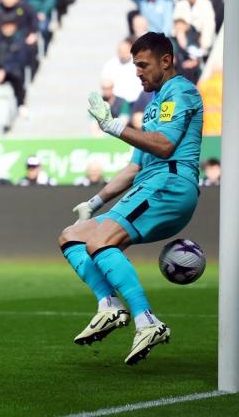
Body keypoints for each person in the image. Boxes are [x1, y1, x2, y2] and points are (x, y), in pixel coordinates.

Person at [60, 32, 204, 365]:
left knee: (100, 242)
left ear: (165, 61)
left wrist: (113, 126)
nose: (137, 72)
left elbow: (165, 146)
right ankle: (108, 305)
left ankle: (146, 320)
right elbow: (134, 167)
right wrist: (94, 203)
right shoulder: (155, 106)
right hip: (151, 185)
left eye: (142, 65)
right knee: (72, 236)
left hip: (169, 184)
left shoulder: (179, 91)